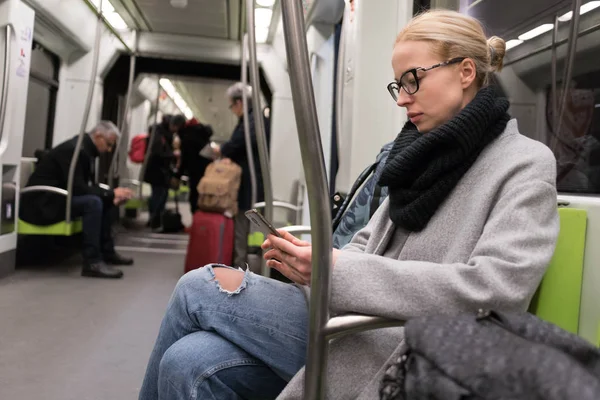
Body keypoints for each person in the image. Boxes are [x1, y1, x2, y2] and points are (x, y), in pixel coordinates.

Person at [139, 10, 559, 399]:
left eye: (412, 79)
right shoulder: (417, 153)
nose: (402, 98)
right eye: (399, 84)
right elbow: (362, 246)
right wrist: (313, 263)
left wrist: (338, 271)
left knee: (198, 287)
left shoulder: (522, 164)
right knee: (189, 360)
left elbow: (495, 295)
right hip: (356, 322)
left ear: (466, 71)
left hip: (409, 344)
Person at [20, 121, 135, 279]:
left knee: (106, 199)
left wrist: (110, 195)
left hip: (57, 198)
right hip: (42, 204)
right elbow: (78, 187)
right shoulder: (74, 150)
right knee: (93, 203)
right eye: (108, 144)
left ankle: (107, 252)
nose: (108, 150)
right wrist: (110, 193)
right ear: (98, 136)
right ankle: (92, 262)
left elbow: (82, 186)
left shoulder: (83, 150)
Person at [213, 82, 271, 268]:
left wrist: (223, 150)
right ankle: (241, 265)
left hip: (249, 183)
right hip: (251, 181)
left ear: (239, 103)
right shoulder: (255, 119)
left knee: (242, 225)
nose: (232, 110)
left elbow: (237, 143)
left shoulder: (251, 121)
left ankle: (239, 268)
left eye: (231, 105)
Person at [144, 114, 186, 231]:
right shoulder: (158, 133)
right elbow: (158, 151)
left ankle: (156, 219)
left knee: (161, 194)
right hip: (157, 169)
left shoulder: (162, 132)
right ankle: (154, 220)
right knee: (158, 195)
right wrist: (173, 155)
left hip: (161, 169)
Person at [172, 118, 213, 213]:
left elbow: (186, 158)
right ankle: (203, 221)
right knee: (204, 195)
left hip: (195, 171)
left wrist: (177, 176)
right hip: (207, 170)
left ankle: (196, 220)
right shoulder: (200, 132)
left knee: (195, 196)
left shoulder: (187, 136)